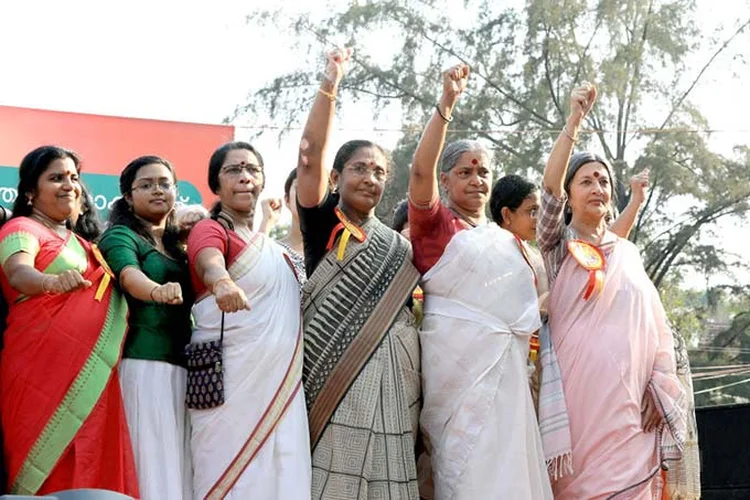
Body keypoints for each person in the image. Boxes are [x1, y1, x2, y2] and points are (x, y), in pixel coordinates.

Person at [536, 82, 687, 499]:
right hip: (576, 413)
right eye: (586, 181)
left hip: (634, 412)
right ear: (569, 196)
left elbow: (658, 330)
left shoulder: (628, 254)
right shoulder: (556, 246)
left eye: (603, 180)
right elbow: (547, 190)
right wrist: (574, 121)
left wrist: (659, 386)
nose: (597, 188)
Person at [409, 65, 551, 500]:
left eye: (484, 172)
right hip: (455, 377)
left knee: (509, 472)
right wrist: (446, 105)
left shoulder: (505, 241)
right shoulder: (435, 224)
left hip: (507, 376)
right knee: (465, 475)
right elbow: (419, 172)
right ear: (447, 180)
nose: (477, 180)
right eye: (466, 172)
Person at [297, 48, 420, 499]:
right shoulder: (324, 221)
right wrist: (331, 84)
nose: (371, 178)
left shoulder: (398, 246)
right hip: (330, 381)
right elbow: (308, 156)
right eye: (360, 168)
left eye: (380, 172)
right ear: (337, 177)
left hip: (393, 382)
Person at [0, 146, 138, 496]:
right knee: (43, 466)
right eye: (56, 177)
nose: (69, 185)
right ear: (31, 191)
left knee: (93, 462)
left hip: (95, 377)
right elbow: (18, 272)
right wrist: (49, 282)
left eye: (74, 177)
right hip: (39, 373)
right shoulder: (21, 227)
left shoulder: (85, 245)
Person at [187, 141, 310, 499]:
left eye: (252, 170)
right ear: (215, 183)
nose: (244, 178)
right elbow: (208, 261)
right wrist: (222, 281)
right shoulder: (211, 230)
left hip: (283, 387)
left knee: (283, 472)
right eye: (233, 170)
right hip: (229, 389)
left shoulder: (275, 251)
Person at [98, 156, 194, 499]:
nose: (157, 190)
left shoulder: (177, 245)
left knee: (179, 463)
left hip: (183, 368)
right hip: (142, 365)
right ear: (128, 196)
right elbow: (127, 275)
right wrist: (156, 290)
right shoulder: (121, 236)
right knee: (149, 461)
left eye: (165, 183)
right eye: (147, 184)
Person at [258, 169, 306, 282]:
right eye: (300, 188)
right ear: (287, 199)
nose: (308, 194)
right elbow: (253, 274)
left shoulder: (339, 252)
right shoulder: (274, 251)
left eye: (316, 189)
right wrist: (266, 222)